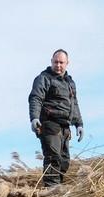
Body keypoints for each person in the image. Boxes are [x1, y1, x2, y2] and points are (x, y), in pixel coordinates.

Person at [28, 49, 84, 186]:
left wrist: (79, 124)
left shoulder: (70, 82)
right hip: (49, 124)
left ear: (67, 63)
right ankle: (52, 192)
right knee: (53, 159)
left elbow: (74, 104)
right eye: (56, 62)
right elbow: (35, 98)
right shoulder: (44, 78)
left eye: (61, 62)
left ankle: (58, 190)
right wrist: (34, 118)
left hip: (65, 127)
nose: (58, 65)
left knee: (64, 161)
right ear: (51, 62)